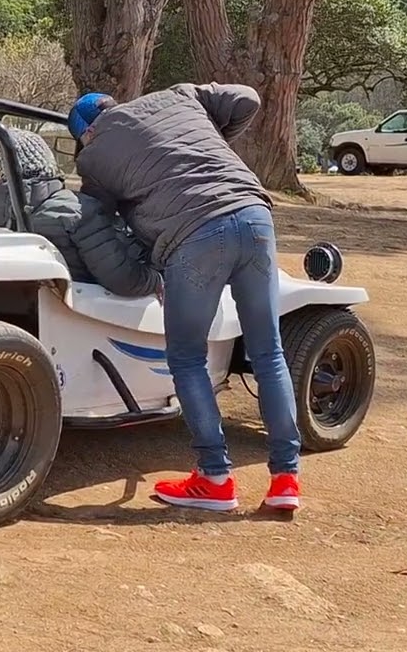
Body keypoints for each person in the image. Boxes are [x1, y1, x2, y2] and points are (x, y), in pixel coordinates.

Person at [67, 84, 302, 512]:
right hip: (253, 214)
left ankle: (215, 479)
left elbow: (96, 220)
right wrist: (210, 144)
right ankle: (286, 480)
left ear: (86, 133)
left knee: (188, 357)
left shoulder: (94, 157)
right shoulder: (179, 97)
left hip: (193, 237)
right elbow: (248, 98)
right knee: (269, 351)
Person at [0, 126, 160, 298]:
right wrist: (156, 280)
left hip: (33, 297)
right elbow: (121, 279)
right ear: (46, 159)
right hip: (91, 304)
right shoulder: (79, 210)